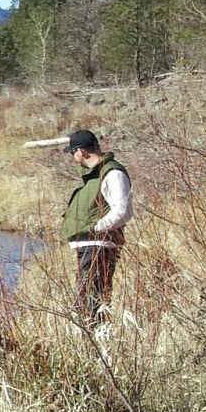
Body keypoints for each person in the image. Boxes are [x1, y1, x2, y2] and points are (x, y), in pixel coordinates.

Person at [58, 128, 133, 328]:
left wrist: (95, 228)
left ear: (81, 151)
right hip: (92, 247)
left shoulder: (113, 173)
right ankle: (94, 339)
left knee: (91, 304)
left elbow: (123, 211)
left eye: (72, 152)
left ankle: (95, 341)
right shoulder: (95, 175)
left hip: (99, 247)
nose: (73, 157)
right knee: (87, 303)